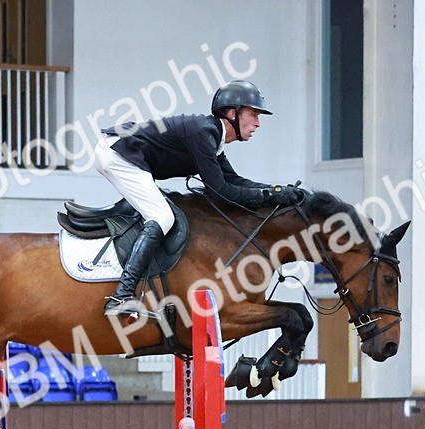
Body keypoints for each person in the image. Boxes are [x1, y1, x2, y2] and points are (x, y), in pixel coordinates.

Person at [93, 79, 303, 318]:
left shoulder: (212, 138)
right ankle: (121, 296)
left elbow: (234, 180)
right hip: (117, 152)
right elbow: (220, 191)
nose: (257, 123)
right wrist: (267, 195)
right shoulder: (202, 134)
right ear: (232, 113)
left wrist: (276, 191)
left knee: (161, 214)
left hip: (124, 152)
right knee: (161, 216)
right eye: (253, 114)